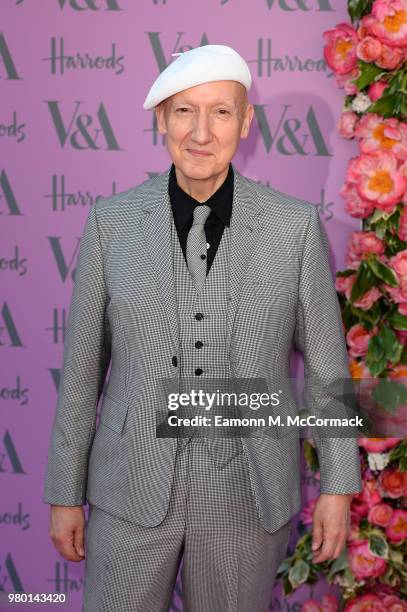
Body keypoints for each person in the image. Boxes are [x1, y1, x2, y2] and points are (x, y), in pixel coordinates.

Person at [43, 44, 362, 612]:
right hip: (129, 485)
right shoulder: (110, 225)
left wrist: (337, 485)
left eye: (220, 111)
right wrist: (64, 492)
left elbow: (327, 371)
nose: (201, 132)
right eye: (184, 111)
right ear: (162, 119)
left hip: (246, 491)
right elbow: (81, 373)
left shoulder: (293, 228)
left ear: (245, 122)